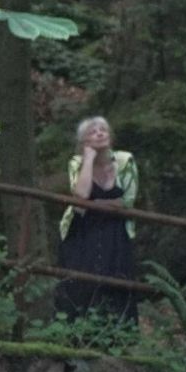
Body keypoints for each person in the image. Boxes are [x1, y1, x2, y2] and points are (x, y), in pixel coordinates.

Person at [53, 116, 139, 322]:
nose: (100, 133)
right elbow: (81, 196)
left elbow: (126, 201)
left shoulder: (125, 161)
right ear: (83, 142)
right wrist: (89, 160)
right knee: (80, 281)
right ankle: (74, 332)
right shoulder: (77, 163)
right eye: (93, 132)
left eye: (103, 130)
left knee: (116, 281)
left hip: (115, 231)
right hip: (82, 230)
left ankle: (118, 336)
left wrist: (94, 205)